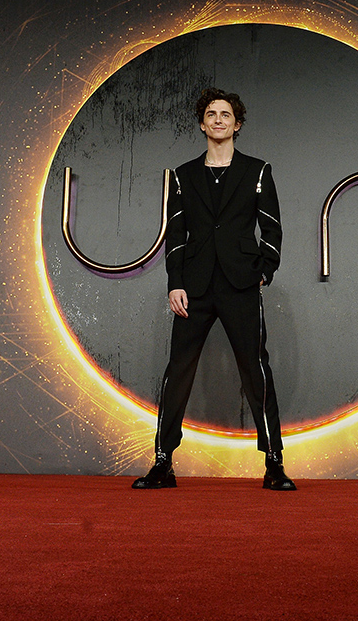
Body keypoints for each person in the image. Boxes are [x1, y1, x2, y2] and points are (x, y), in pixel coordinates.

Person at [132, 87, 296, 491]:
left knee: (256, 370)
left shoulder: (258, 170)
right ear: (202, 124)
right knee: (178, 371)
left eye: (225, 114)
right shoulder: (183, 175)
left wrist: (264, 271)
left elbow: (272, 228)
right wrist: (175, 283)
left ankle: (274, 463)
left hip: (241, 283)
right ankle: (162, 462)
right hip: (195, 286)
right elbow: (176, 235)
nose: (218, 120)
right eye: (211, 114)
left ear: (236, 124)